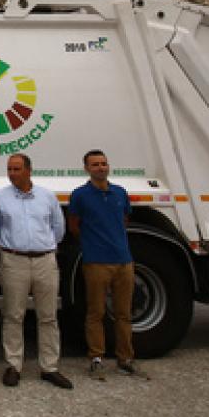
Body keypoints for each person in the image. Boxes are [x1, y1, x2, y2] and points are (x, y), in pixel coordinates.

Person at [0, 154, 71, 389]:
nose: (12, 173)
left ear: (29, 170)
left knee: (48, 316)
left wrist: (43, 247)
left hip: (45, 260)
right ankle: (13, 365)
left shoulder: (47, 197)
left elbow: (58, 229)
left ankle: (50, 367)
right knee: (14, 315)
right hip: (15, 261)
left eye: (17, 169)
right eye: (9, 169)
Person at [68, 150, 147, 380]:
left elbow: (124, 220)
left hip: (124, 261)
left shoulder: (120, 193)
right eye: (95, 164)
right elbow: (74, 225)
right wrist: (93, 244)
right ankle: (96, 359)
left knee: (124, 313)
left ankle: (125, 359)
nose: (100, 168)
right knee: (96, 312)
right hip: (96, 262)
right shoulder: (80, 195)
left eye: (103, 163)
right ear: (87, 168)